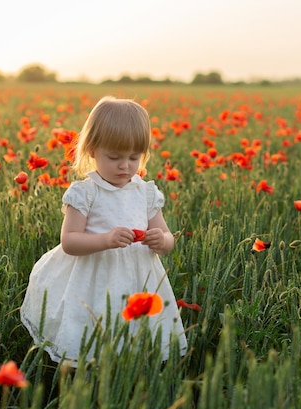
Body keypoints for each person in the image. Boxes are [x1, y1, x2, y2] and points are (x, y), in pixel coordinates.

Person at [20, 96, 187, 366]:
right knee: (91, 330)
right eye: (115, 157)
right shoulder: (84, 192)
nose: (125, 166)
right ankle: (88, 376)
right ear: (92, 150)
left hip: (137, 279)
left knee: (133, 335)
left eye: (134, 157)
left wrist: (161, 240)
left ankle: (126, 374)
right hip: (92, 279)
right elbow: (69, 242)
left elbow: (168, 239)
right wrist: (106, 240)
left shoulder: (145, 193)